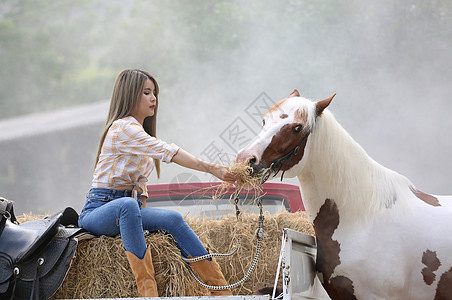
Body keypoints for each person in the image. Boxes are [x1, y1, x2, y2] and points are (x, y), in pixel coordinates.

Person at [78, 69, 236, 297]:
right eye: (146, 93)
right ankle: (148, 293)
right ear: (130, 95)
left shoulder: (139, 134)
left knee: (173, 218)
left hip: (128, 210)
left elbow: (140, 187)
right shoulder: (123, 128)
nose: (154, 99)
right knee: (128, 206)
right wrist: (213, 169)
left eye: (155, 93)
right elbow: (169, 151)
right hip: (98, 211)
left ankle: (220, 290)